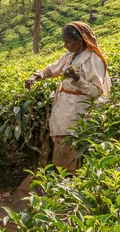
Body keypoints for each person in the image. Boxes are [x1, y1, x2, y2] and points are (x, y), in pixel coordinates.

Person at [25, 21, 111, 173]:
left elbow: (97, 92)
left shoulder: (94, 60)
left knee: (71, 146)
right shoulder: (69, 56)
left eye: (67, 42)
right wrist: (36, 77)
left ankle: (70, 179)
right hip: (63, 109)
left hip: (79, 110)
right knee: (60, 144)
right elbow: (52, 69)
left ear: (80, 41)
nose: (65, 45)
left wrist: (78, 79)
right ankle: (60, 177)